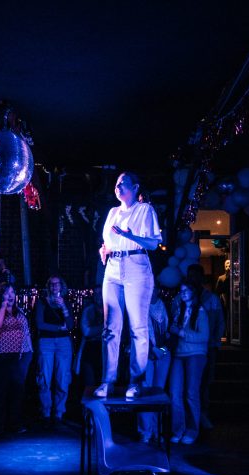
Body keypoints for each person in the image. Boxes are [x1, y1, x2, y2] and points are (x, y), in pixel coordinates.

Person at [96, 171, 162, 398]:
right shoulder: (112, 212)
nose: (118, 187)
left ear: (135, 188)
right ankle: (108, 380)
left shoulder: (145, 210)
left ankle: (136, 381)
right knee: (110, 328)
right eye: (116, 184)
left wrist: (131, 236)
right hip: (113, 268)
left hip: (137, 266)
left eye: (123, 184)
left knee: (138, 328)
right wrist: (103, 250)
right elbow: (108, 241)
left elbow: (153, 244)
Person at [0, 282, 32, 439]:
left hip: (19, 356)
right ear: (0, 295)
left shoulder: (20, 311)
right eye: (6, 293)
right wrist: (3, 307)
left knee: (17, 392)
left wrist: (29, 352)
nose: (10, 295)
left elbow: (26, 332)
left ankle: (15, 424)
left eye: (12, 292)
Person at [168, 280, 209, 444]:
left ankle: (192, 430)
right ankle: (178, 429)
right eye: (181, 290)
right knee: (174, 392)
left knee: (191, 393)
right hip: (179, 354)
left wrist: (182, 333)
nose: (183, 292)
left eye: (186, 290)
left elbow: (204, 337)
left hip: (195, 355)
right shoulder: (179, 310)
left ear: (194, 292)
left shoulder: (200, 312)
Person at [185, 263, 224, 430]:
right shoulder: (183, 297)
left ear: (201, 277)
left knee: (205, 381)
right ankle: (191, 417)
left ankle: (203, 414)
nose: (192, 279)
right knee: (190, 384)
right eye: (190, 276)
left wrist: (215, 343)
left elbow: (219, 321)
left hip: (207, 346)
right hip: (186, 347)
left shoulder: (212, 298)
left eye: (195, 276)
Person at [35, 275, 74, 426]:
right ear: (49, 287)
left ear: (61, 286)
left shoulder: (66, 303)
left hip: (63, 343)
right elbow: (40, 324)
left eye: (57, 284)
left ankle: (59, 411)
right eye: (52, 284)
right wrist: (58, 328)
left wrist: (63, 306)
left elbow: (70, 325)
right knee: (44, 376)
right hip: (46, 342)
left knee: (62, 377)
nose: (54, 286)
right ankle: (45, 410)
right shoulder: (42, 302)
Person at [138, 284, 172, 443]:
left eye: (155, 288)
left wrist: (162, 349)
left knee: (158, 392)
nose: (152, 291)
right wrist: (150, 349)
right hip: (146, 354)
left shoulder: (164, 306)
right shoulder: (140, 306)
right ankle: (146, 431)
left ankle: (157, 431)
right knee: (145, 391)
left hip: (163, 353)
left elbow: (168, 332)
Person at [76, 286, 104, 387]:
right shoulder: (88, 310)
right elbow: (86, 332)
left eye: (100, 293)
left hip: (107, 350)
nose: (98, 296)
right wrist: (104, 327)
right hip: (90, 349)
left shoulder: (111, 310)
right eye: (95, 293)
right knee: (90, 384)